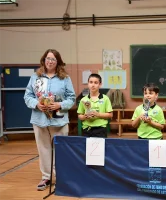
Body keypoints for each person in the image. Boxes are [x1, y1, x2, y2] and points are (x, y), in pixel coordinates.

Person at [24, 49, 76, 191]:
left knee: (60, 149)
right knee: (43, 149)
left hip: (59, 121)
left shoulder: (64, 78)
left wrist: (60, 104)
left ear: (57, 61)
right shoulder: (36, 77)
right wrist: (36, 104)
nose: (50, 61)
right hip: (39, 120)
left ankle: (61, 177)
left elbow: (72, 98)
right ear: (44, 60)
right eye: (48, 58)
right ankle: (46, 177)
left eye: (53, 59)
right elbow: (27, 96)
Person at [77, 73, 113, 138]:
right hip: (86, 129)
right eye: (91, 82)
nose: (93, 85)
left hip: (100, 129)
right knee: (87, 148)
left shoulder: (105, 98)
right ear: (88, 84)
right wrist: (85, 116)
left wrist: (98, 114)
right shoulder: (83, 99)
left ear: (100, 84)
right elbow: (80, 115)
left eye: (96, 83)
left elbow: (110, 115)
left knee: (100, 148)